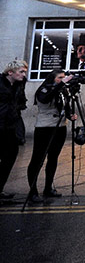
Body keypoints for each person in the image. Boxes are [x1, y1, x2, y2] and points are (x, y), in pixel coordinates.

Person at [26, 69, 76, 203]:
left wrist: (70, 115)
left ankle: (48, 188)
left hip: (60, 127)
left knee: (53, 157)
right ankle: (32, 191)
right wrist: (60, 85)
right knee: (38, 159)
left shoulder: (63, 91)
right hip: (44, 128)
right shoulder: (43, 89)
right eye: (59, 78)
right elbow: (45, 99)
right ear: (52, 78)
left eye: (64, 77)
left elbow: (66, 105)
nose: (62, 80)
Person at [0, 59, 28, 199]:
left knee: (11, 155)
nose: (24, 75)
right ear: (10, 72)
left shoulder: (18, 85)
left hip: (10, 126)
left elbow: (20, 103)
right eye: (21, 72)